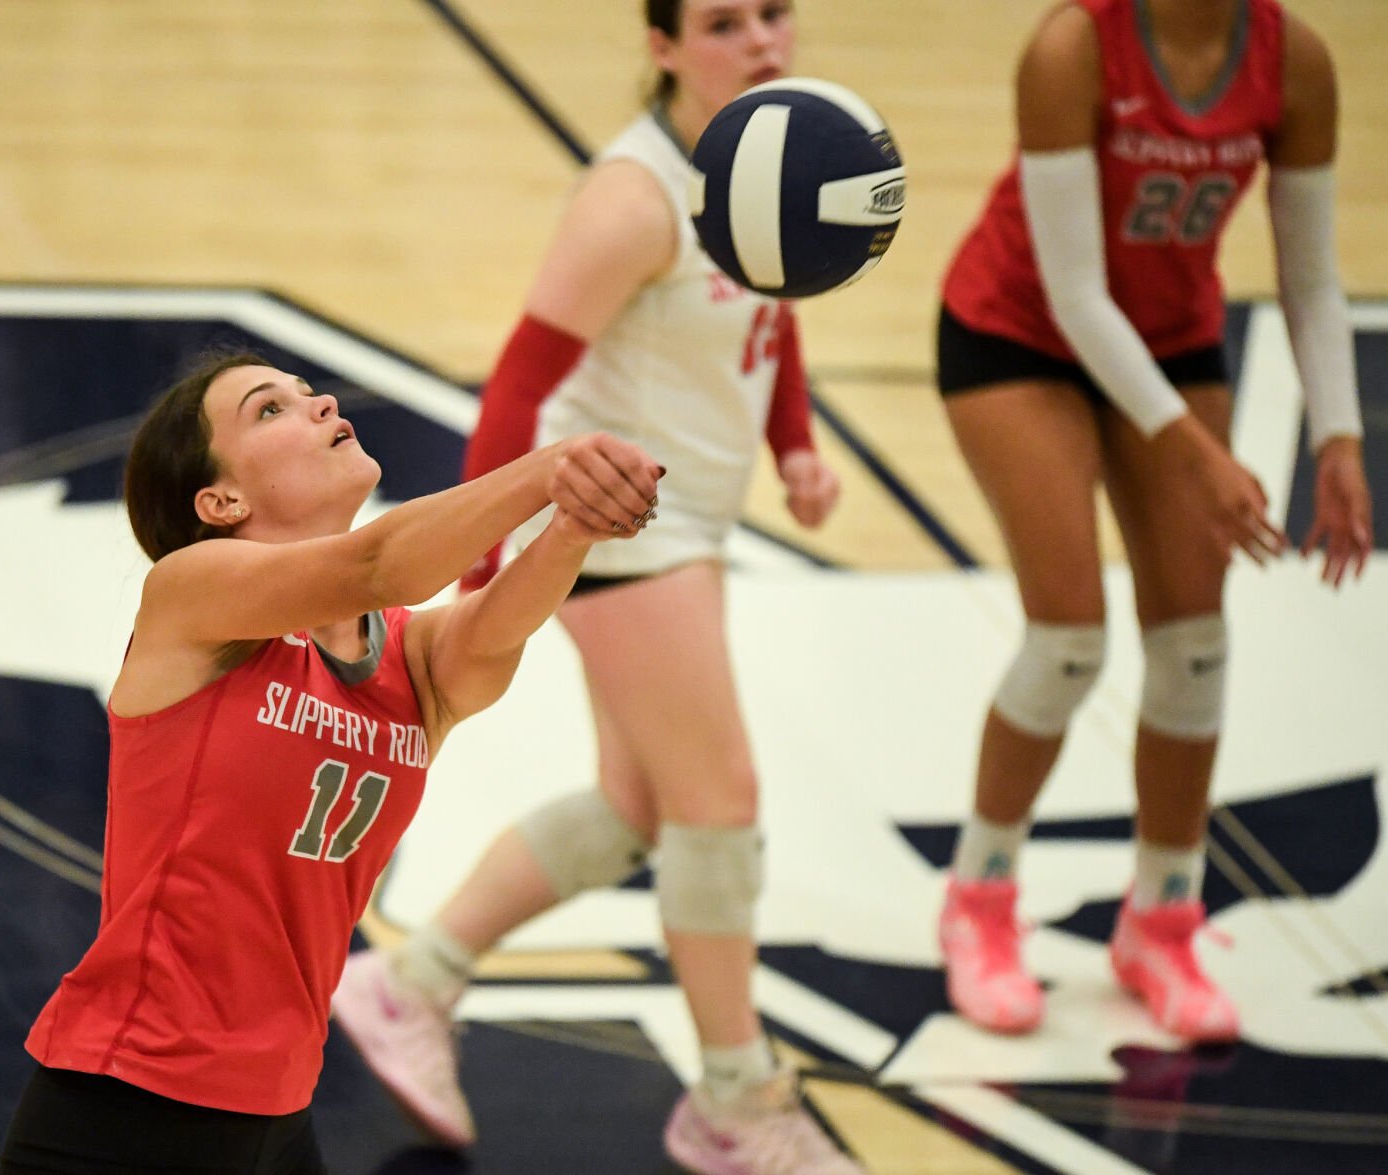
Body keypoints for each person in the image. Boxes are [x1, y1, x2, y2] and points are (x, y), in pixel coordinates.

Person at [329, 3, 863, 1174]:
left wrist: (794, 446)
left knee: (639, 808)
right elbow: (521, 378)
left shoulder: (767, 156)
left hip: (687, 525)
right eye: (725, 22)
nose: (762, 39)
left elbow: (772, 302)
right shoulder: (631, 199)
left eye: (775, 12)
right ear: (662, 46)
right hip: (620, 528)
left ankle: (410, 980)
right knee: (716, 802)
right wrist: (475, 556)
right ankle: (731, 1097)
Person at [0, 349, 662, 1175]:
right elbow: (379, 563)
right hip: (130, 1104)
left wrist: (573, 523)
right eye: (268, 409)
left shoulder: (404, 656)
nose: (318, 405)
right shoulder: (193, 594)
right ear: (221, 499)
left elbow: (489, 631)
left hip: (276, 1102)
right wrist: (548, 468)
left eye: (310, 392)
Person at [934, 0, 1374, 1043]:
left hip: (1170, 339)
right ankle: (979, 900)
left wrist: (1340, 440)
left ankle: (1161, 918)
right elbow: (1077, 293)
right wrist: (1198, 455)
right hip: (1018, 333)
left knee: (1192, 646)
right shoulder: (1071, 47)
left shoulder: (1293, 61)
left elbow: (1309, 277)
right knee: (1066, 640)